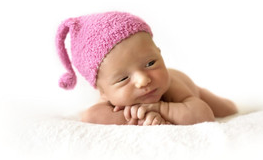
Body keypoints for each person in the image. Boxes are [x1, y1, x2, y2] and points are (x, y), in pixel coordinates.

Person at [56, 11, 237, 125]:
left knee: (228, 110)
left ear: (159, 53)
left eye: (151, 63)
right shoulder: (106, 102)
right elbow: (91, 117)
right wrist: (138, 118)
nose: (143, 80)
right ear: (101, 90)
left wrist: (159, 109)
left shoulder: (171, 85)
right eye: (122, 79)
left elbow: (203, 114)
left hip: (192, 90)